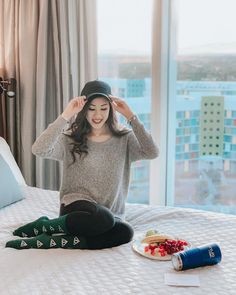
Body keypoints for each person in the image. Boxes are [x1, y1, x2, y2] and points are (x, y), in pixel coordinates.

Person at [6, 80, 159, 250]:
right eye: (91, 108)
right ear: (84, 110)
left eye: (103, 108)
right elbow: (39, 149)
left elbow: (152, 152)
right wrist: (65, 115)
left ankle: (50, 238)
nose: (97, 114)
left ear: (111, 109)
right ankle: (45, 227)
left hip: (110, 215)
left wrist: (131, 117)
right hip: (76, 209)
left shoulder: (124, 138)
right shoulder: (71, 138)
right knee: (104, 219)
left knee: (125, 232)